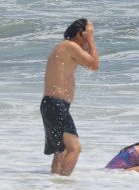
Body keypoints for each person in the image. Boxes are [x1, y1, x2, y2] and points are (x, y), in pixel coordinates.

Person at [41, 18, 100, 176]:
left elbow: (88, 59)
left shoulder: (63, 47)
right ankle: (63, 183)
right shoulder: (69, 46)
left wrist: (88, 40)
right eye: (86, 35)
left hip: (51, 104)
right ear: (80, 34)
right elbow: (94, 64)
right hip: (56, 104)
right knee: (75, 148)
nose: (87, 40)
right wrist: (91, 39)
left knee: (61, 150)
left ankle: (54, 184)